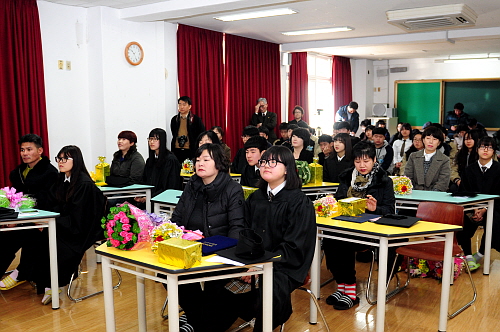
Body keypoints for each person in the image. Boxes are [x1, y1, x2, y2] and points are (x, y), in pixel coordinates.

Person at [167, 143, 245, 331]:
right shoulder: (191, 185)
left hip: (218, 252)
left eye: (206, 159)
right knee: (166, 271)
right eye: (198, 160)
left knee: (214, 282)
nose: (199, 163)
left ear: (219, 163)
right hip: (190, 248)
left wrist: (231, 258)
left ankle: (198, 321)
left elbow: (237, 227)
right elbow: (176, 218)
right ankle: (198, 318)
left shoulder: (232, 189)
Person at [239, 145, 316, 330]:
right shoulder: (256, 198)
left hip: (286, 266)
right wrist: (249, 264)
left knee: (271, 287)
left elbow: (295, 246)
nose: (266, 165)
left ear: (287, 169)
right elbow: (245, 233)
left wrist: (262, 266)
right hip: (254, 262)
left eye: (273, 162)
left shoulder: (298, 202)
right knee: (218, 280)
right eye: (264, 162)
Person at [324, 141, 395, 310]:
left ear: (374, 160)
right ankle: (341, 286)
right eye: (357, 161)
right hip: (347, 224)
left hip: (370, 231)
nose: (362, 165)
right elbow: (339, 200)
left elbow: (390, 209)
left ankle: (350, 291)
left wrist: (375, 208)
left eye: (366, 161)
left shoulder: (384, 180)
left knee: (344, 242)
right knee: (329, 241)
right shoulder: (346, 177)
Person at [38, 145, 106, 304]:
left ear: (76, 161)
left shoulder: (83, 183)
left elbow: (79, 216)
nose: (60, 162)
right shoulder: (62, 179)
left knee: (54, 241)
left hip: (81, 229)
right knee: (37, 236)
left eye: (64, 159)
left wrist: (51, 221)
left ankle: (54, 283)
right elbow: (54, 203)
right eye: (59, 159)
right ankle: (42, 280)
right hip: (67, 224)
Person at [0, 134, 58, 290]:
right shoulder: (18, 172)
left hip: (41, 220)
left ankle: (21, 272)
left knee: (24, 237)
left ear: (40, 151)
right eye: (22, 150)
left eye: (29, 149)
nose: (24, 153)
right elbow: (14, 198)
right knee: (4, 236)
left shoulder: (50, 172)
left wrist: (40, 219)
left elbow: (50, 201)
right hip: (21, 218)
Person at [457, 136, 500, 271]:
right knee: (460, 219)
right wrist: (475, 208)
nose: (485, 150)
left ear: (494, 151)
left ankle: (480, 254)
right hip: (472, 207)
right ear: (477, 150)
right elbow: (464, 191)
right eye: (482, 147)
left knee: (496, 221)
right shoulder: (469, 170)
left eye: (489, 147)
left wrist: (485, 209)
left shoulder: (499, 169)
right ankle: (469, 256)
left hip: (494, 208)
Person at [134, 128, 182, 208]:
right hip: (150, 197)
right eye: (150, 139)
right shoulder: (150, 160)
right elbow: (145, 180)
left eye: (155, 139)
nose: (151, 142)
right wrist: (140, 195)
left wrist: (149, 197)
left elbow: (171, 186)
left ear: (162, 141)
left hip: (163, 200)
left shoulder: (170, 160)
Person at [405, 126, 450, 191]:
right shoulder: (413, 156)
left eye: (434, 139)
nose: (431, 142)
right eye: (428, 138)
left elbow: (443, 182)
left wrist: (431, 195)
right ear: (423, 140)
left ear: (439, 142)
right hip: (413, 194)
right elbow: (408, 177)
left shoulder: (444, 159)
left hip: (434, 196)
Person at [170, 96, 206, 163]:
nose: (181, 107)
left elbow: (202, 133)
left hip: (191, 150)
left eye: (184, 104)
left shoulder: (196, 119)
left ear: (189, 106)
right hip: (177, 149)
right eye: (180, 104)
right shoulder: (174, 119)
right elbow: (173, 133)